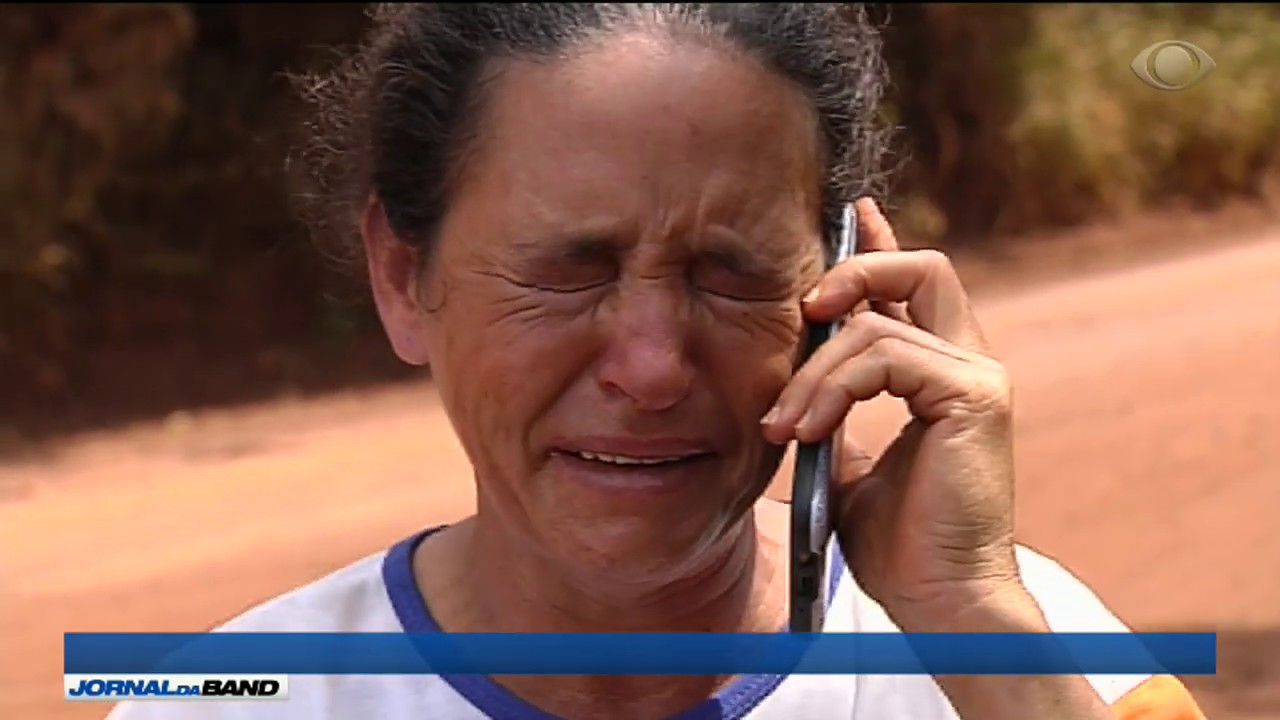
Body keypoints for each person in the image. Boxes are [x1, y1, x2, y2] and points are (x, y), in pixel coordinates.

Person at [108, 4, 1207, 719]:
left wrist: (969, 614)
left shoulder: (1028, 656)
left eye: (727, 271)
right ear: (404, 278)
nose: (650, 367)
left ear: (843, 288)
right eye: (567, 270)